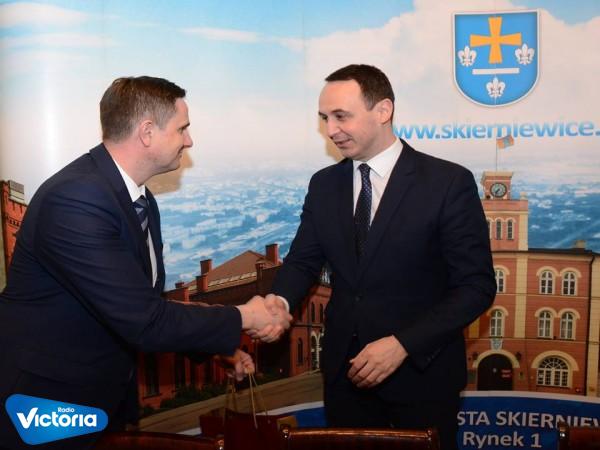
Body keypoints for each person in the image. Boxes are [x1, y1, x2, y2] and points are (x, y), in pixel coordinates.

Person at [0, 76, 291, 449]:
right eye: (182, 128)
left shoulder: (139, 199)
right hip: (46, 404)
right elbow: (144, 320)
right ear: (148, 132)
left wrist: (216, 348)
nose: (189, 140)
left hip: (97, 402)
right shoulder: (75, 199)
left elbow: (140, 305)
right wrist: (246, 316)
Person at [267, 64, 496, 450]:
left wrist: (403, 344)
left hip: (422, 378)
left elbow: (476, 287)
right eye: (324, 118)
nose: (331, 130)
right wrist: (277, 303)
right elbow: (303, 262)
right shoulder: (324, 185)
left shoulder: (447, 183)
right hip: (346, 379)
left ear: (383, 110)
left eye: (341, 116)